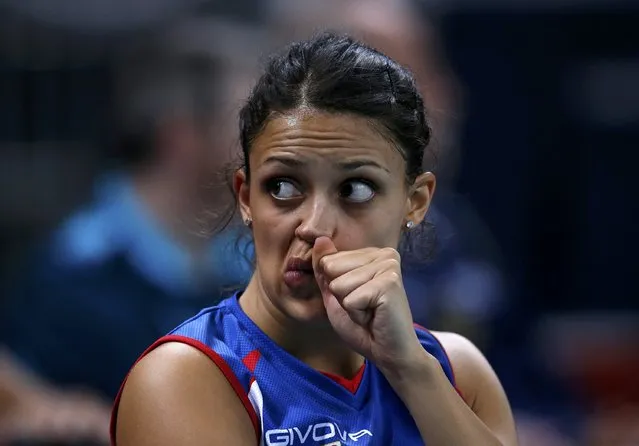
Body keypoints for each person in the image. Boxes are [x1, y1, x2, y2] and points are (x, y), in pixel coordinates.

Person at [111, 32, 518, 446]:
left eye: (356, 189)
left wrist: (411, 370)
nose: (315, 226)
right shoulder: (183, 379)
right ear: (246, 198)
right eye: (284, 187)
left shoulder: (457, 373)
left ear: (414, 202)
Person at [0, 25, 255, 444]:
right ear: (181, 135)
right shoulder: (70, 273)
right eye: (247, 122)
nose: (274, 141)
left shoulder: (253, 265)